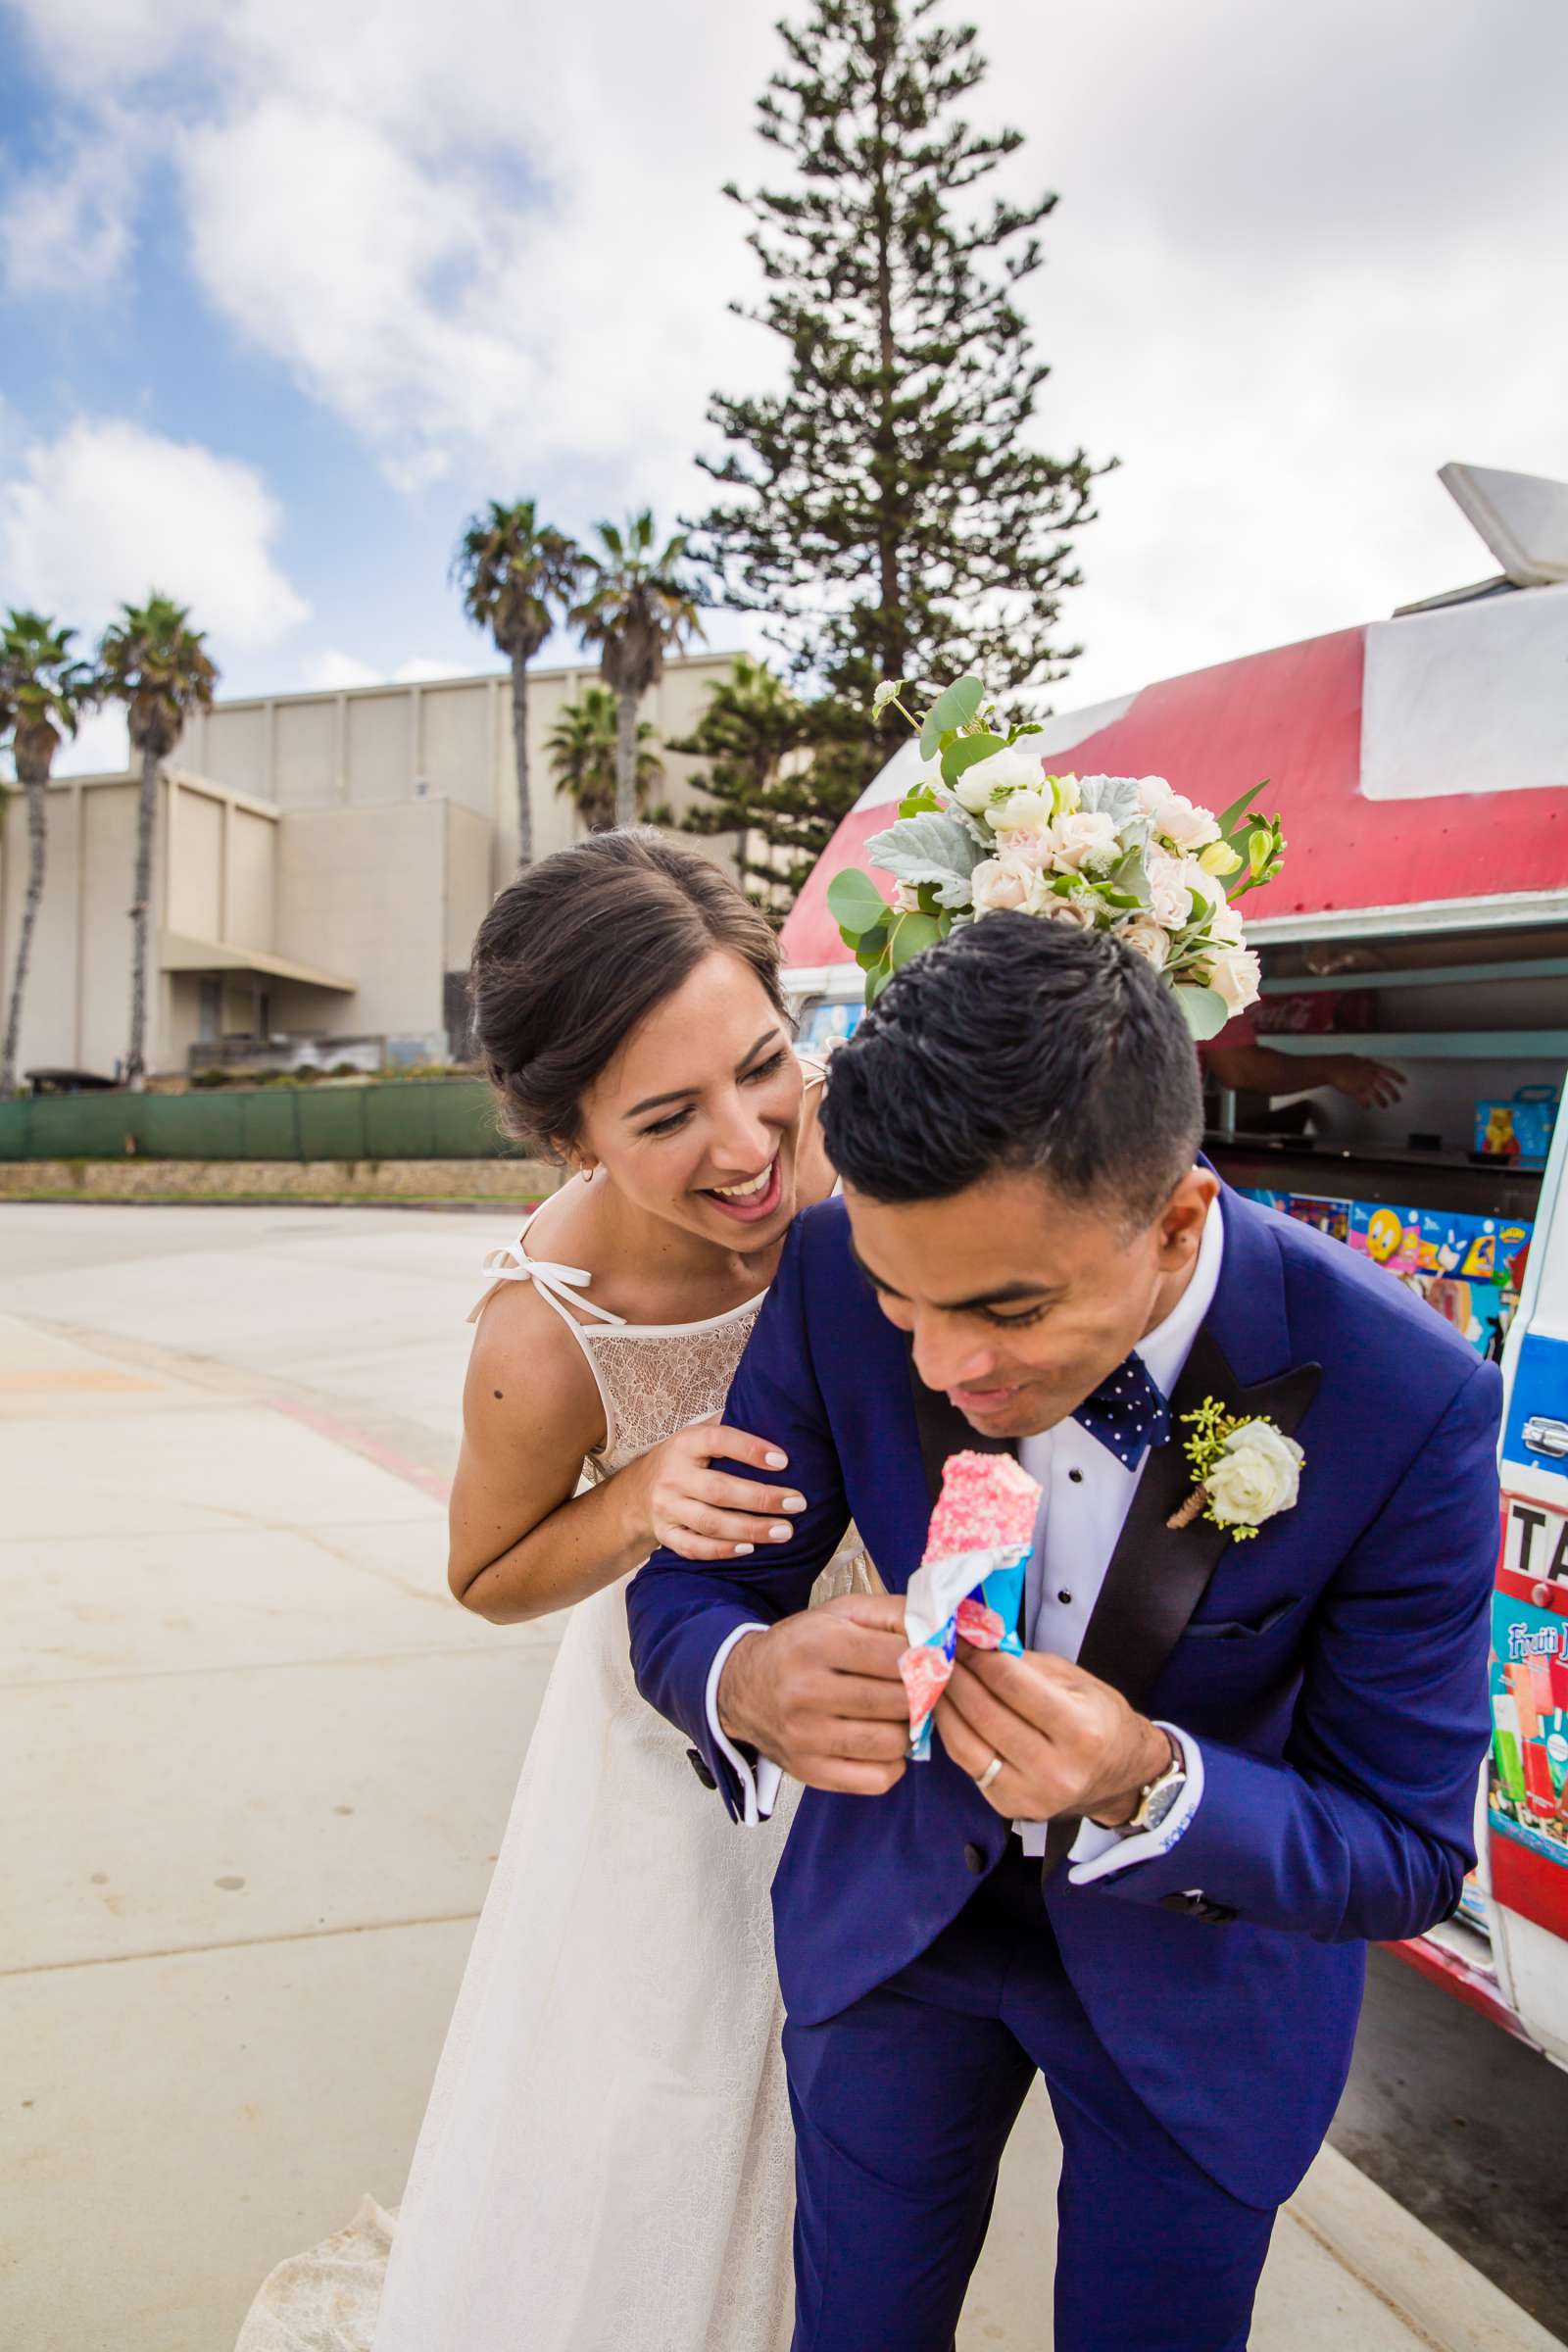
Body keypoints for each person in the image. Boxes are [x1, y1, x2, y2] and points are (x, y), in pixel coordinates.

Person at [627, 915, 1500, 2352]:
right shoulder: (834, 1264)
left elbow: (1405, 1850)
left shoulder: (1407, 1400)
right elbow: (693, 1585)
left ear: (1176, 1220)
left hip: (1202, 1995)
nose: (942, 1365)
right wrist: (747, 1675)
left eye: (1008, 1309)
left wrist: (1153, 1779)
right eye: (902, 1304)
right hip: (893, 1932)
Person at [236, 831, 868, 2352]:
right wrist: (641, 1499)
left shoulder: (853, 1138)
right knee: (665, 2116)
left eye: (762, 1067)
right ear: (567, 1131)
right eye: (667, 1117)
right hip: (673, 1771)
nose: (748, 1146)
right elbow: (487, 1574)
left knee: (874, 2129)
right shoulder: (541, 1339)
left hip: (880, 1700)